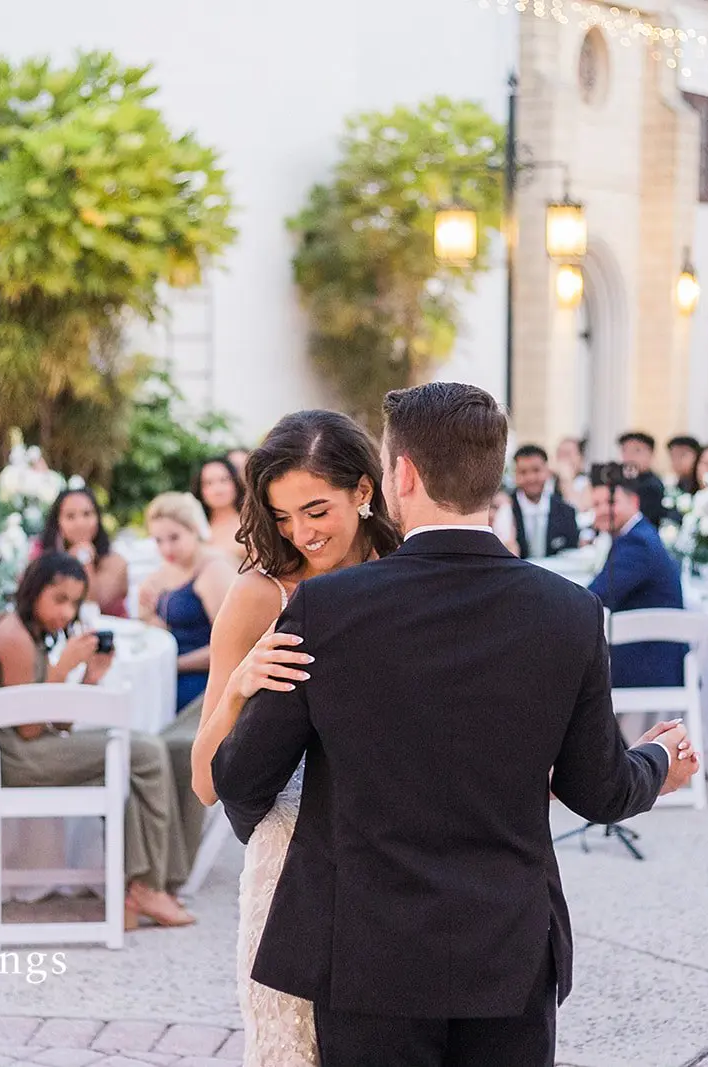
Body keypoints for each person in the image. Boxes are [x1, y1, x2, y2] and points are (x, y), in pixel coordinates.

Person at [212, 383, 697, 1066]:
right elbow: (599, 790)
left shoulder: (325, 607)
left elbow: (240, 776)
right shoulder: (569, 612)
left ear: (401, 474)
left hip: (364, 953)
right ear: (492, 474)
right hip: (508, 950)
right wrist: (657, 763)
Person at [189, 410, 403, 1066]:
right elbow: (204, 781)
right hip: (291, 862)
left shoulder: (410, 573)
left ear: (364, 492)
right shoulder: (258, 593)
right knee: (290, 1048)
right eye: (283, 516)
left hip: (400, 855)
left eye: (316, 510)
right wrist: (238, 687)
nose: (301, 533)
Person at [0, 553, 199, 929]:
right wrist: (62, 667)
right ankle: (150, 886)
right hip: (14, 757)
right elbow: (29, 728)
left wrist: (88, 678)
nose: (67, 613)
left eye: (75, 603)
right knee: (145, 751)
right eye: (59, 600)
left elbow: (58, 722)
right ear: (33, 592)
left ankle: (140, 888)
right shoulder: (13, 636)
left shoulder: (28, 632)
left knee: (135, 758)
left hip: (25, 747)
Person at [137, 492, 236, 712]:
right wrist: (147, 610)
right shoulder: (168, 569)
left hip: (204, 678)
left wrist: (175, 665)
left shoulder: (214, 571)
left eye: (174, 538)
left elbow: (232, 647)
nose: (166, 549)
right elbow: (166, 628)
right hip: (173, 667)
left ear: (193, 530)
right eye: (158, 541)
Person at [587, 468, 685, 688]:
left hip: (647, 662)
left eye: (611, 502)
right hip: (644, 653)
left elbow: (596, 596)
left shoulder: (637, 543)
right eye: (596, 505)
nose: (603, 510)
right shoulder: (636, 534)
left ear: (634, 501)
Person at [39, 488, 130, 617]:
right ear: (58, 523)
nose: (80, 523)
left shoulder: (116, 562)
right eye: (70, 516)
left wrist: (84, 559)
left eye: (87, 514)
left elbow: (92, 606)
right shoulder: (43, 558)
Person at [510, 445, 581, 560]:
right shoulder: (505, 509)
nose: (531, 478)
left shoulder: (566, 512)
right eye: (523, 472)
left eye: (536, 470)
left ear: (547, 471)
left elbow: (572, 553)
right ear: (515, 474)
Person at [193, 455, 247, 562]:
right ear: (200, 490)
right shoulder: (195, 529)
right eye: (209, 483)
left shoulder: (251, 525)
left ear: (235, 483)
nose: (217, 489)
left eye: (224, 480)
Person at [618, 430, 669, 528]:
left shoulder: (652, 486)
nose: (629, 456)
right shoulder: (621, 483)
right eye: (624, 450)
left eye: (636, 451)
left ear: (651, 454)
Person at [553, 435, 591, 511]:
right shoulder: (548, 481)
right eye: (560, 453)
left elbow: (579, 509)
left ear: (580, 458)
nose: (563, 459)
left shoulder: (586, 482)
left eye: (567, 454)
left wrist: (566, 479)